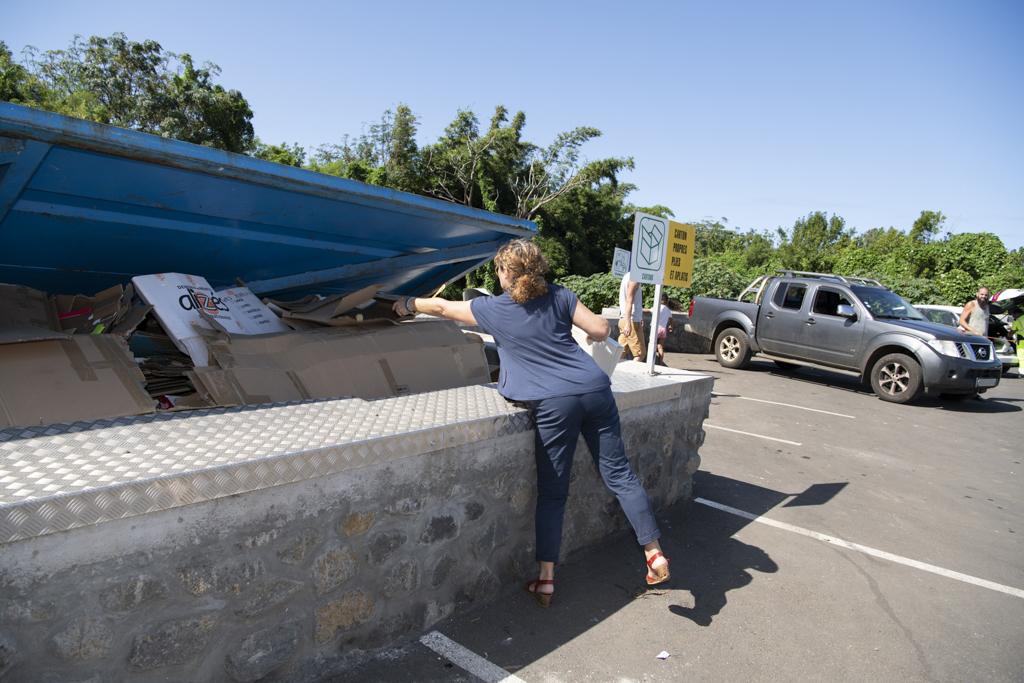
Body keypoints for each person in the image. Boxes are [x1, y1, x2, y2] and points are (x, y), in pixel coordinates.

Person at [392, 239, 670, 607]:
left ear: (506, 273)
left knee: (554, 494)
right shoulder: (560, 295)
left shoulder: (493, 308)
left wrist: (406, 304)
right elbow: (602, 329)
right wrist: (587, 332)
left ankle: (546, 580)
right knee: (620, 475)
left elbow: (442, 306)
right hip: (595, 389)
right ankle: (653, 553)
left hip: (554, 403)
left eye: (497, 269)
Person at [618, 272, 646, 362]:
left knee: (621, 352)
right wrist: (628, 323)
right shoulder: (634, 279)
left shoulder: (627, 276)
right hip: (632, 321)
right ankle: (632, 374)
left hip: (625, 319)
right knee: (640, 354)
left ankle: (611, 372)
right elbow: (629, 301)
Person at [655, 293, 674, 366]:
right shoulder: (667, 309)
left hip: (656, 329)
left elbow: (649, 311)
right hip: (663, 330)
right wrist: (671, 326)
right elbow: (671, 319)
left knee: (652, 345)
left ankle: (651, 361)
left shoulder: (658, 307)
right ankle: (660, 363)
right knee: (660, 347)